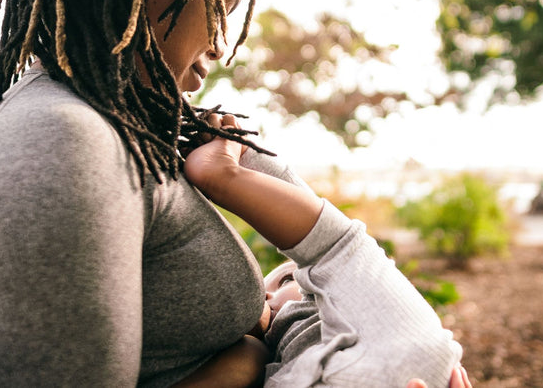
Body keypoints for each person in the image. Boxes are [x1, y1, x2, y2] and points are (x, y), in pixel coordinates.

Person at [0, 0, 464, 387]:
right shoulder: (55, 142)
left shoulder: (122, 126)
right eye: (217, 6)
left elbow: (338, 255)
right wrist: (242, 365)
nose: (220, 42)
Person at [181, 114, 467, 387]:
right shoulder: (268, 359)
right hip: (407, 360)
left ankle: (231, 167)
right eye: (289, 279)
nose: (265, 294)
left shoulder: (275, 362)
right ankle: (227, 169)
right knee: (338, 252)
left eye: (288, 280)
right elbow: (332, 246)